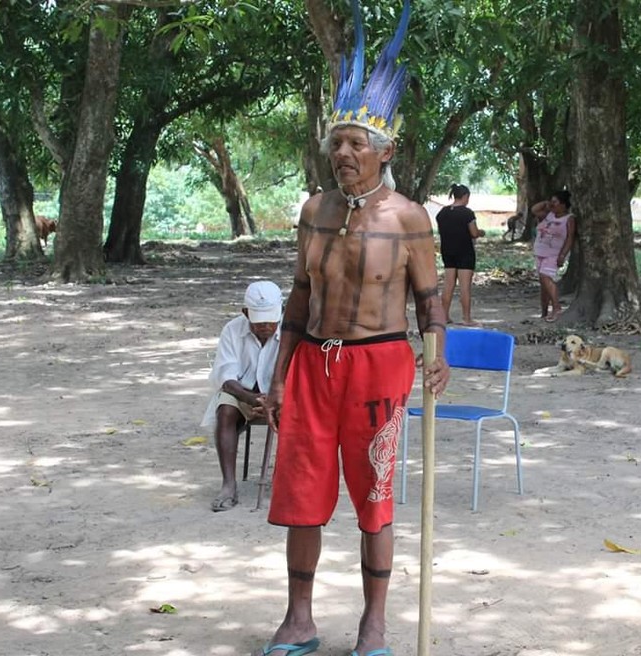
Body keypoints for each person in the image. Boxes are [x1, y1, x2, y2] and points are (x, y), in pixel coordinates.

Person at [260, 2, 450, 655]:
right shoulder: (313, 211)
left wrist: (437, 355)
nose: (343, 152)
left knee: (375, 498)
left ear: (384, 149)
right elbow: (300, 295)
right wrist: (279, 373)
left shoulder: (409, 218)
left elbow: (429, 297)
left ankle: (374, 625)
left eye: (356, 142)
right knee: (301, 495)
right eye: (336, 141)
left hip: (380, 367)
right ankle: (299, 619)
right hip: (314, 364)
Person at [200, 280, 283, 512]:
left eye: (271, 320)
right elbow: (225, 379)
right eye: (259, 322)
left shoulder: (289, 331)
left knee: (292, 411)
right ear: (245, 313)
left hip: (281, 395)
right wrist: (252, 399)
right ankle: (229, 484)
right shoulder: (232, 330)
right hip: (242, 395)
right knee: (225, 410)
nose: (266, 326)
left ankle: (281, 479)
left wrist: (273, 400)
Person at [435, 183, 485, 326]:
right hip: (465, 252)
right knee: (464, 286)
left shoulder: (442, 213)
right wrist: (482, 232)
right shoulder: (467, 213)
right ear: (465, 196)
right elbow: (474, 233)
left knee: (448, 284)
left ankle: (444, 316)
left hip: (447, 251)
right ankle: (466, 318)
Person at [531, 190, 576, 322]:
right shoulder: (548, 215)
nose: (552, 205)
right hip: (540, 252)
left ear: (563, 205)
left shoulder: (569, 219)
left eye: (555, 202)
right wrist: (546, 203)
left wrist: (563, 255)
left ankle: (556, 308)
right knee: (543, 283)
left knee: (547, 277)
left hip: (554, 254)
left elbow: (570, 238)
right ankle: (544, 312)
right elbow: (534, 210)